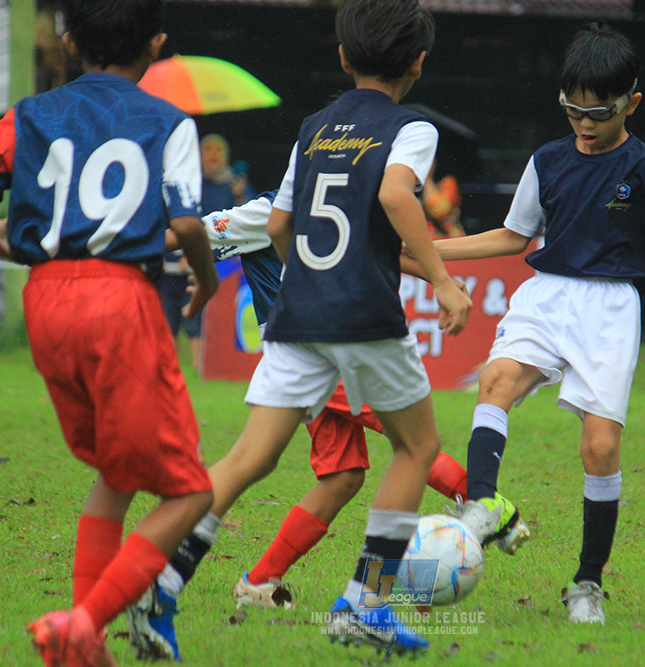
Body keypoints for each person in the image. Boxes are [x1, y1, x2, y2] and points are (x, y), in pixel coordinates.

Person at [134, 0, 470, 658]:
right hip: (366, 317)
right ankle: (366, 603)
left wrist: (310, 279)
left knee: (248, 459)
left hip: (298, 316)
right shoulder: (411, 128)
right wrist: (445, 279)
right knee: (418, 447)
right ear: (419, 63)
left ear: (343, 58)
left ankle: (162, 582)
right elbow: (398, 196)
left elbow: (282, 225)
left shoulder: (315, 126)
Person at [407, 22, 645, 625]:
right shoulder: (546, 160)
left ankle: (587, 583)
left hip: (610, 311)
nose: (582, 123)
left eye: (597, 112)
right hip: (546, 296)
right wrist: (429, 252)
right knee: (496, 380)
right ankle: (483, 505)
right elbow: (512, 235)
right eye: (572, 108)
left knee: (600, 447)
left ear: (631, 103)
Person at [0, 0, 221, 665]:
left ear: (69, 44)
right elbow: (187, 226)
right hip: (119, 298)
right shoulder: (168, 122)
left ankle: (83, 643)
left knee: (113, 469)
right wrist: (208, 282)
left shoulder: (30, 114)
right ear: (156, 44)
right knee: (191, 490)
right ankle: (83, 621)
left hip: (46, 298)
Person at [126, 192, 475, 661]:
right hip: (314, 348)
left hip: (324, 347)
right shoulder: (266, 209)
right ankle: (482, 508)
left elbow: (384, 252)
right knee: (413, 443)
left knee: (341, 476)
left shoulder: (338, 197)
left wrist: (438, 276)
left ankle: (254, 581)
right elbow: (189, 232)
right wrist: (113, 249)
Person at [156, 134, 239, 369]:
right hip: (171, 267)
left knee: (199, 322)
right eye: (207, 149)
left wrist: (241, 195)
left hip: (211, 266)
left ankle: (199, 368)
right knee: (167, 319)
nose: (213, 155)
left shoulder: (231, 186)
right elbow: (169, 221)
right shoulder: (183, 185)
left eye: (218, 150)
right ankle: (170, 366)